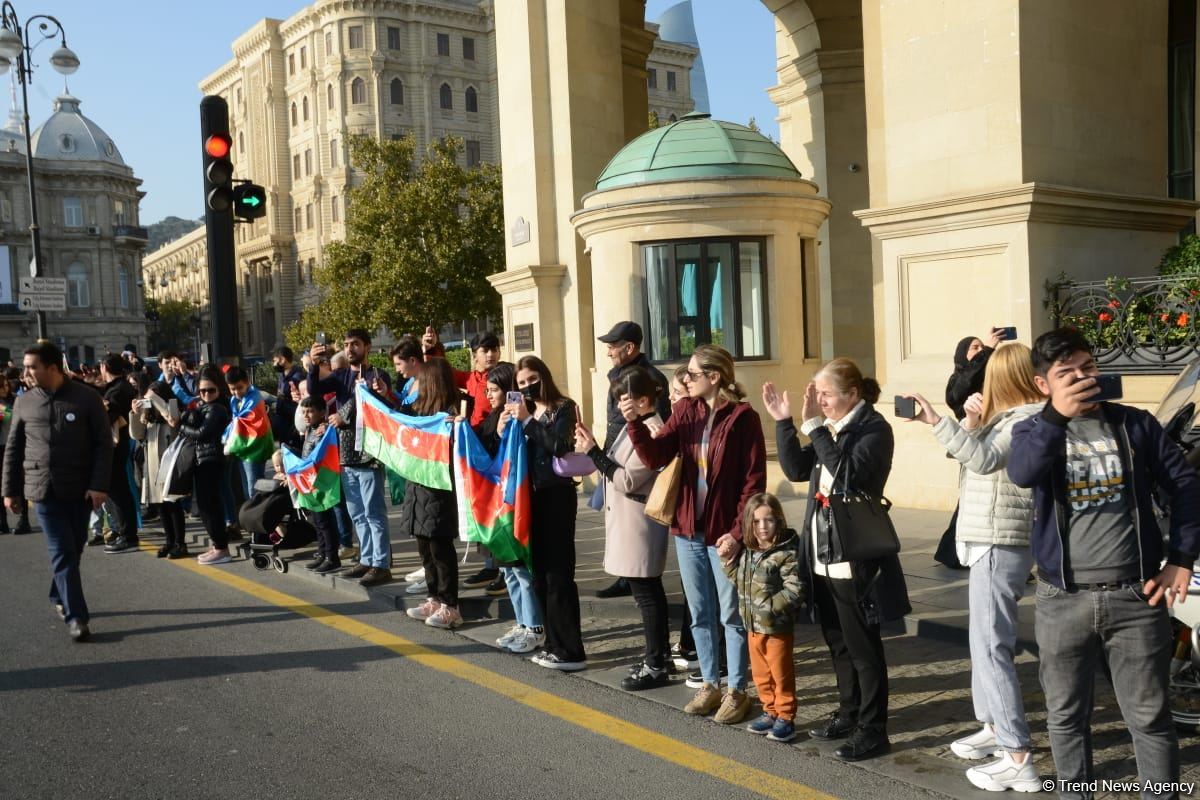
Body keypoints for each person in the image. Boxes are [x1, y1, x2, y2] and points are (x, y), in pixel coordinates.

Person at [1008, 328, 1200, 800]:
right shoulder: (1031, 429)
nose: (1081, 378)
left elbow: (1188, 487)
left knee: (1150, 719)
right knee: (1067, 718)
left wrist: (1180, 558)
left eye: (1088, 367)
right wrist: (1057, 417)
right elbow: (1023, 472)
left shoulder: (1135, 425)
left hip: (1136, 596)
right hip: (1060, 600)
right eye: (1066, 373)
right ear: (1042, 385)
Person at [904, 343, 1043, 791]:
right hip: (990, 539)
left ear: (1004, 378)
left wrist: (935, 421)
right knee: (982, 641)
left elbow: (982, 460)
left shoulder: (1025, 418)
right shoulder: (1009, 417)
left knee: (991, 646)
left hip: (1000, 541)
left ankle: (1017, 753)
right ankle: (992, 727)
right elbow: (966, 456)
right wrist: (969, 423)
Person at [765, 357, 909, 760]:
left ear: (852, 394)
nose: (820, 401)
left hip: (854, 555)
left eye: (826, 394)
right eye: (818, 393)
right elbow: (796, 469)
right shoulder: (831, 428)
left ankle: (874, 728)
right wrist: (785, 421)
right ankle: (849, 712)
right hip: (821, 552)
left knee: (864, 647)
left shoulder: (873, 429)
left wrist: (815, 428)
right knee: (837, 642)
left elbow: (850, 475)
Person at [626, 344, 766, 724]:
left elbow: (753, 482)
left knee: (732, 615)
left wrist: (738, 533)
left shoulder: (743, 418)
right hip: (687, 529)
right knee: (700, 613)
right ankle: (709, 683)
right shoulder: (684, 410)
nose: (685, 379)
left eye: (691, 373)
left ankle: (737, 690)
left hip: (724, 533)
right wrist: (636, 423)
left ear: (714, 377)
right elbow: (657, 457)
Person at [2, 341, 112, 641]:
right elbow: (13, 449)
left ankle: (58, 594)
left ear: (51, 368)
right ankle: (77, 617)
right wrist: (9, 491)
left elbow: (104, 444)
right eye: (25, 366)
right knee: (62, 551)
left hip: (80, 490)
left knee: (73, 550)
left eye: (31, 367)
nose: (25, 372)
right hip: (42, 490)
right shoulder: (25, 402)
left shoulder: (86, 398)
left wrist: (99, 485)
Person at [577, 364, 670, 690]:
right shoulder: (637, 425)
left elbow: (630, 477)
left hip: (639, 523)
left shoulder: (652, 427)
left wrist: (594, 454)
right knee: (646, 594)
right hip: (628, 521)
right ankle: (656, 657)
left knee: (648, 595)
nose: (620, 406)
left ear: (644, 399)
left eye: (626, 399)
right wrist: (595, 449)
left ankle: (656, 662)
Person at [510, 355, 586, 671]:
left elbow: (560, 446)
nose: (529, 387)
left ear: (545, 375)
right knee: (539, 574)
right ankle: (553, 645)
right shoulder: (519, 411)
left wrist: (528, 421)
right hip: (530, 499)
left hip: (557, 496)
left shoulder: (563, 407)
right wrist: (505, 427)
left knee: (558, 575)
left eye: (533, 380)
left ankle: (571, 651)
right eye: (522, 383)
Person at [308, 328, 393, 587]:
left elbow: (382, 406)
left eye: (355, 344)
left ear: (367, 346)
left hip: (368, 453)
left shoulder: (378, 375)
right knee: (356, 512)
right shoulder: (342, 375)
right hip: (346, 454)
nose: (350, 349)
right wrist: (313, 366)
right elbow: (315, 391)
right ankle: (366, 559)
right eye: (346, 344)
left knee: (373, 511)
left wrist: (377, 394)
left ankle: (381, 563)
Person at [595, 321, 672, 600]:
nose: (608, 352)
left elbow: (657, 423)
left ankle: (634, 577)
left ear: (629, 348)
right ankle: (625, 577)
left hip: (636, 463)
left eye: (613, 346)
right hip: (616, 454)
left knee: (636, 534)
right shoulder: (618, 374)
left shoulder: (650, 378)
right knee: (615, 522)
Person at [477, 363, 546, 653]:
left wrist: (509, 429)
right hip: (498, 502)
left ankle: (535, 626)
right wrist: (497, 433)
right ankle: (521, 621)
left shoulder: (523, 415)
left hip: (518, 500)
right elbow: (483, 451)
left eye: (494, 390)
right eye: (487, 390)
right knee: (508, 570)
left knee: (521, 570)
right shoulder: (495, 418)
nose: (489, 395)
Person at [725, 493, 804, 743]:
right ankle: (770, 710)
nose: (762, 527)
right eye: (756, 521)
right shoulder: (749, 551)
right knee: (761, 674)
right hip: (753, 627)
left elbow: (795, 589)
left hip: (776, 628)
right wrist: (727, 563)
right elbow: (740, 583)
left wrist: (769, 607)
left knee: (781, 674)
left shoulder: (787, 552)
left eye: (768, 520)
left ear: (778, 520)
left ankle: (786, 716)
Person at [401, 359, 466, 629]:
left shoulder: (455, 408)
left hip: (439, 488)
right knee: (424, 546)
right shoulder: (418, 410)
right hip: (418, 486)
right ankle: (434, 598)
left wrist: (460, 426)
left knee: (440, 547)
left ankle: (451, 605)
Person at [936, 330, 1006, 569]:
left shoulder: (989, 374)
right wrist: (985, 352)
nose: (979, 350)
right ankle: (953, 552)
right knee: (973, 498)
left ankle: (950, 552)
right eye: (974, 348)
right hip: (972, 440)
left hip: (996, 441)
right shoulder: (958, 378)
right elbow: (958, 394)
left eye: (980, 347)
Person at [170, 369, 233, 565]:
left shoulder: (217, 409)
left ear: (219, 389)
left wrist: (179, 425)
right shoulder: (202, 405)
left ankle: (222, 548)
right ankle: (217, 545)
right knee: (205, 505)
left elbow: (202, 433)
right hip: (201, 460)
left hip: (211, 460)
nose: (206, 394)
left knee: (209, 506)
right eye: (202, 391)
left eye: (210, 390)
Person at [284, 396, 342, 575]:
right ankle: (322, 553)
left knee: (326, 521)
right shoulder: (310, 429)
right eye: (303, 412)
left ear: (322, 412)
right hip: (309, 481)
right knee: (318, 521)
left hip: (320, 482)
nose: (306, 415)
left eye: (310, 411)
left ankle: (332, 557)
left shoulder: (324, 431)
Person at [132, 380, 187, 559]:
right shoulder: (149, 417)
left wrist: (155, 399)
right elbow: (137, 435)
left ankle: (180, 543)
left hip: (170, 464)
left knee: (173, 504)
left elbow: (173, 420)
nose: (149, 399)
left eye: (154, 395)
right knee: (160, 506)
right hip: (152, 464)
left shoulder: (171, 406)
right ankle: (169, 541)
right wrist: (135, 412)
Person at [97, 354, 140, 554]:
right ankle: (123, 531)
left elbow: (108, 416)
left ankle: (127, 534)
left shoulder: (117, 390)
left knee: (118, 491)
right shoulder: (121, 386)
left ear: (105, 367)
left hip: (116, 444)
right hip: (121, 443)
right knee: (118, 490)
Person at [271, 346, 306, 449]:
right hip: (282, 421)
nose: (274, 364)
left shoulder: (297, 376)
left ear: (282, 359)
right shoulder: (282, 376)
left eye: (275, 360)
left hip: (292, 423)